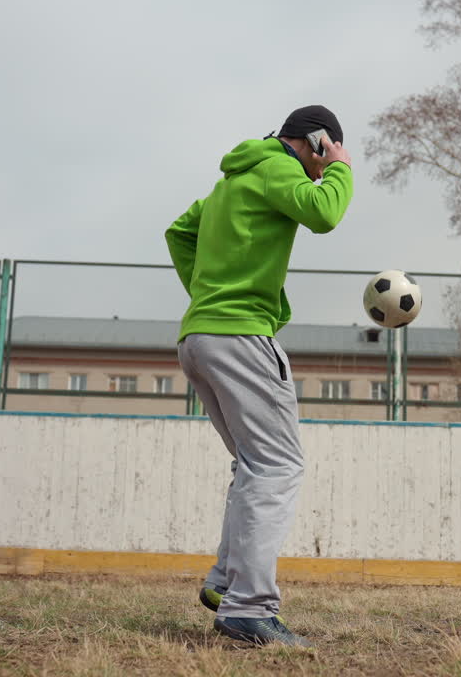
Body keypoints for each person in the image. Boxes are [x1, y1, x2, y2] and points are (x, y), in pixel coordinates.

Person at [165, 105, 353, 648]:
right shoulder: (279, 168)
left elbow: (179, 233)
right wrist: (341, 168)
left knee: (254, 463)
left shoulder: (232, 181)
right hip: (240, 335)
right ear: (317, 142)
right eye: (324, 154)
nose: (321, 168)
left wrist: (210, 295)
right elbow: (324, 213)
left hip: (200, 337)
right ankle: (249, 608)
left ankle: (227, 583)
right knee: (278, 466)